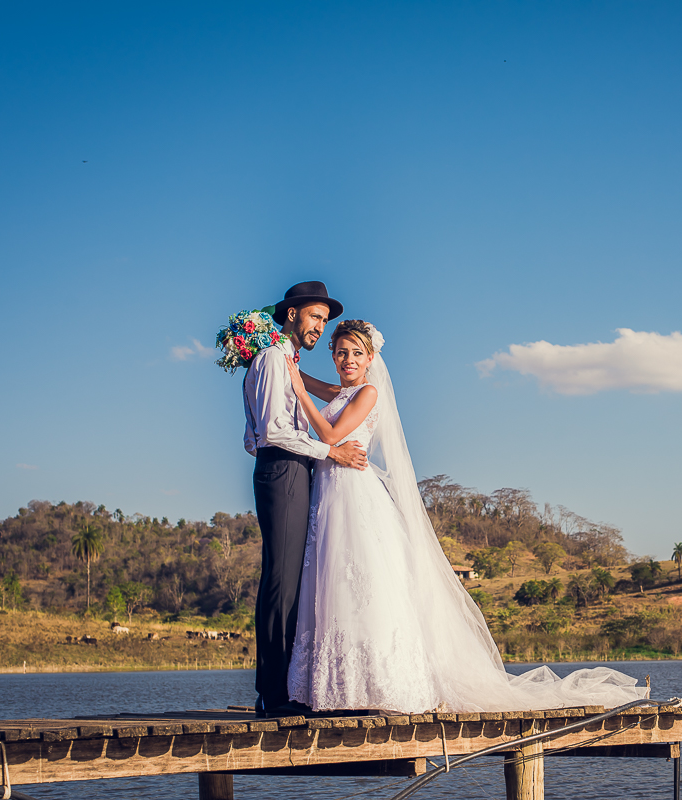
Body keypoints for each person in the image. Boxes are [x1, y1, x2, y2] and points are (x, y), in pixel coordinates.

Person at [283, 319, 648, 712]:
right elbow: (322, 388)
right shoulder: (343, 390)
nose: (347, 359)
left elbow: (331, 437)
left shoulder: (368, 392)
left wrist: (301, 391)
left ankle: (382, 685)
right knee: (336, 583)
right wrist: (285, 362)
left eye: (356, 353)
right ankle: (343, 687)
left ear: (371, 358)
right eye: (340, 352)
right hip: (332, 492)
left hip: (353, 493)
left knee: (360, 581)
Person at [243, 281, 368, 717]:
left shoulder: (288, 361)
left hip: (293, 468)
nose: (320, 326)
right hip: (282, 469)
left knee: (295, 581)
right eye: (315, 316)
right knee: (281, 580)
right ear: (292, 314)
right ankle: (273, 695)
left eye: (324, 320)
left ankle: (289, 688)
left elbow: (254, 433)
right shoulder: (274, 358)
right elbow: (271, 432)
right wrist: (330, 451)